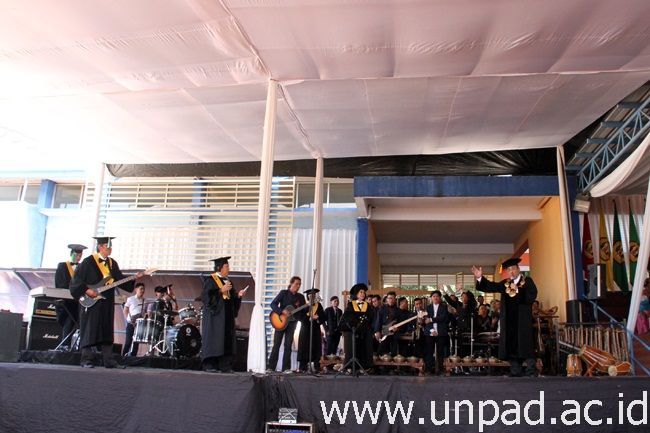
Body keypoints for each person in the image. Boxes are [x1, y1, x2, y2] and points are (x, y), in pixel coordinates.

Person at [70, 236, 143, 368]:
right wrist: (87, 290)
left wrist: (134, 278)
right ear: (100, 247)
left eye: (110, 247)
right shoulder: (88, 261)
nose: (110, 249)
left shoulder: (112, 263)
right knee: (89, 329)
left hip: (107, 301)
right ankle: (87, 359)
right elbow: (76, 280)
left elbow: (119, 279)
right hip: (91, 300)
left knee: (107, 329)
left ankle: (108, 360)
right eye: (107, 247)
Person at [472, 258, 538, 377]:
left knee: (525, 344)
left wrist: (518, 289)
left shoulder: (527, 281)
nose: (511, 271)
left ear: (518, 269)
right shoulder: (505, 283)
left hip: (522, 320)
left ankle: (531, 371)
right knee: (511, 344)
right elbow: (492, 286)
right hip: (509, 320)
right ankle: (515, 371)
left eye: (513, 269)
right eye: (509, 270)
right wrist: (480, 278)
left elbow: (532, 296)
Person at [200, 256, 245, 373]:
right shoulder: (210, 280)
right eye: (226, 266)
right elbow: (206, 298)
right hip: (215, 318)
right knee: (215, 340)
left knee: (226, 340)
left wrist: (238, 296)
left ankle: (225, 365)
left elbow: (231, 299)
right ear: (219, 268)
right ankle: (210, 365)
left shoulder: (228, 281)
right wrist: (220, 291)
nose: (228, 268)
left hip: (227, 318)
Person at [267, 276, 305, 372]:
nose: (298, 286)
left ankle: (286, 368)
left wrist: (308, 307)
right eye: (296, 284)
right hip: (280, 322)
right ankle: (271, 367)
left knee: (288, 346)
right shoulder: (283, 293)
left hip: (292, 324)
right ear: (291, 283)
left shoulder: (301, 297)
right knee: (276, 345)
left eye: (299, 284)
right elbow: (273, 304)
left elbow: (303, 312)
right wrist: (282, 311)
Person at [54, 243, 86, 348]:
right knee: (68, 321)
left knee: (77, 322)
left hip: (78, 301)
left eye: (80, 256)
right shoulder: (62, 266)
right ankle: (65, 345)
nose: (78, 257)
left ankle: (74, 346)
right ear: (71, 254)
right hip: (66, 301)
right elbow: (59, 283)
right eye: (77, 255)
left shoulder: (82, 268)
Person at [342, 283, 374, 370]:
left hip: (364, 331)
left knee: (364, 348)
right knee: (352, 347)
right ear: (356, 294)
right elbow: (347, 318)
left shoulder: (367, 305)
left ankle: (364, 366)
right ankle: (351, 366)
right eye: (361, 292)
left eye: (364, 292)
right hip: (353, 330)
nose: (363, 294)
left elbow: (371, 317)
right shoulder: (351, 305)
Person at [297, 288, 325, 372]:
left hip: (315, 329)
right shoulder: (304, 306)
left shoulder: (318, 305)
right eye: (310, 295)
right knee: (304, 347)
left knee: (316, 347)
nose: (312, 296)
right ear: (307, 297)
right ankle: (303, 367)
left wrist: (318, 317)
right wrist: (309, 317)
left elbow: (323, 316)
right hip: (305, 329)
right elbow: (299, 317)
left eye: (314, 295)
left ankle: (316, 367)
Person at [423, 290, 450, 374]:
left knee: (440, 352)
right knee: (429, 352)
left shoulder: (444, 307)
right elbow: (425, 320)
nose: (435, 298)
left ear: (440, 298)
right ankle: (428, 369)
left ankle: (441, 370)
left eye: (437, 296)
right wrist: (432, 330)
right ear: (431, 298)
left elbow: (443, 318)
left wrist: (431, 319)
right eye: (434, 296)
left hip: (441, 332)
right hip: (430, 332)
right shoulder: (427, 308)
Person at [373, 291, 401, 356]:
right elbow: (378, 321)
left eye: (392, 298)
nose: (390, 300)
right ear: (387, 299)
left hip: (394, 333)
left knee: (394, 352)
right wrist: (377, 331)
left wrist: (398, 328)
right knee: (380, 351)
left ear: (395, 299)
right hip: (384, 332)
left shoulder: (398, 310)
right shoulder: (382, 309)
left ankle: (392, 361)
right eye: (389, 298)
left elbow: (400, 322)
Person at [123, 282, 146, 356]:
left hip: (139, 325)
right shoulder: (130, 299)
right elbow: (125, 310)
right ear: (136, 289)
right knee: (128, 342)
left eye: (143, 289)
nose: (142, 290)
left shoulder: (144, 300)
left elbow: (144, 312)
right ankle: (123, 357)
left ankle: (133, 358)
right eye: (141, 289)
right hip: (130, 323)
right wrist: (128, 319)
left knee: (136, 343)